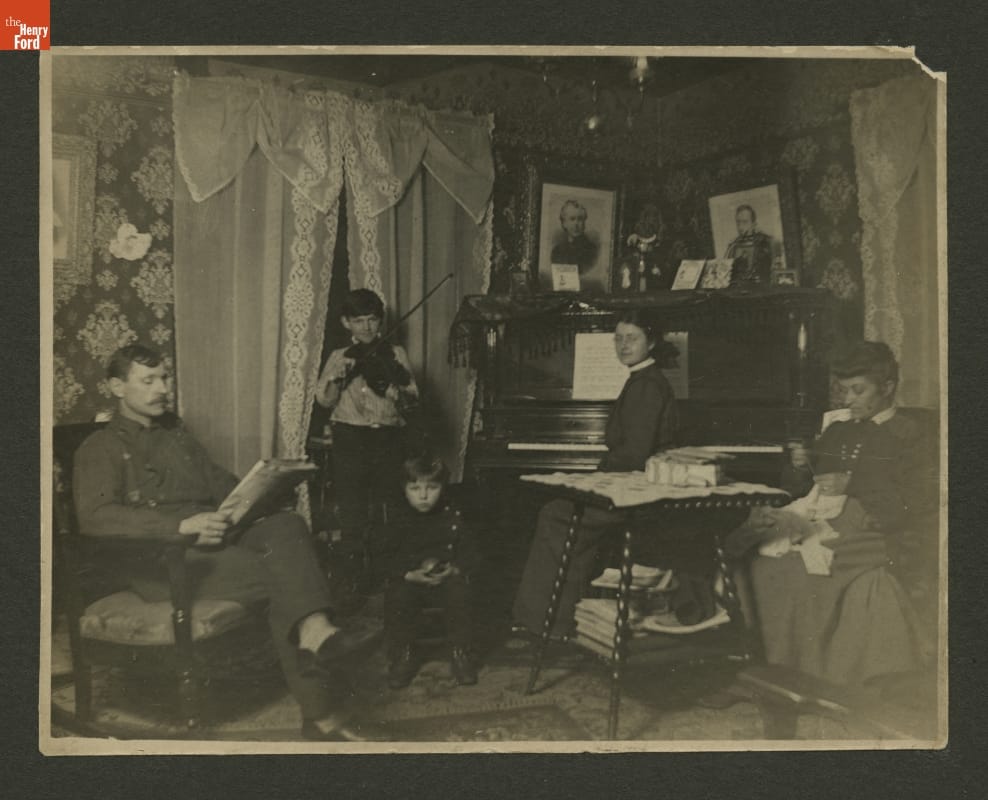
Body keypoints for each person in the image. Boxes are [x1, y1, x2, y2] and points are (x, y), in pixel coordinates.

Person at [72, 345, 388, 741]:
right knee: (286, 577)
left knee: (287, 526)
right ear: (117, 387)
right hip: (162, 562)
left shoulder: (177, 436)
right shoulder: (99, 447)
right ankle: (321, 706)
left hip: (213, 540)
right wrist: (182, 526)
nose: (162, 389)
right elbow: (96, 516)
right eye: (148, 380)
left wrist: (270, 487)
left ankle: (315, 631)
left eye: (164, 378)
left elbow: (222, 486)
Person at [727, 341, 934, 687]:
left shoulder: (910, 435)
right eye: (844, 390)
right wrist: (798, 467)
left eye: (858, 390)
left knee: (791, 568)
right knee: (755, 557)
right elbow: (802, 488)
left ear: (887, 387)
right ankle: (761, 668)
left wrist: (852, 484)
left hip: (876, 531)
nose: (847, 399)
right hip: (824, 521)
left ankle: (797, 675)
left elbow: (916, 501)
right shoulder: (838, 430)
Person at [511, 310, 681, 638]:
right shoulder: (643, 379)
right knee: (560, 509)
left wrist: (593, 479)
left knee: (556, 514)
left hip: (638, 490)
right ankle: (558, 617)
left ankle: (552, 621)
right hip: (633, 481)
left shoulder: (646, 385)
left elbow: (633, 454)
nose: (623, 345)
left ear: (652, 342)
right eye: (618, 339)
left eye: (632, 338)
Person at [314, 288, 420, 607]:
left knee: (390, 504)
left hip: (387, 438)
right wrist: (337, 378)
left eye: (372, 320)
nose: (367, 327)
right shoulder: (340, 356)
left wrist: (391, 386)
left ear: (380, 321)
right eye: (358, 321)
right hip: (349, 437)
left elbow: (413, 398)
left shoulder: (395, 353)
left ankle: (389, 575)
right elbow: (325, 400)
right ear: (346, 323)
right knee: (352, 508)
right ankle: (352, 580)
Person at [381, 452, 481, 689]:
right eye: (415, 488)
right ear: (404, 489)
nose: (423, 496)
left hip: (445, 577)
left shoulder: (453, 516)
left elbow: (472, 552)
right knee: (399, 596)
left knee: (461, 593)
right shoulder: (398, 518)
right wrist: (407, 574)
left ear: (443, 488)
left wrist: (454, 569)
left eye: (432, 488)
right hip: (410, 579)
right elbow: (383, 556)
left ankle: (460, 651)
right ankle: (404, 653)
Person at [723, 204, 775, 285]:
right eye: (738, 222)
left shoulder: (766, 242)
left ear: (754, 224)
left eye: (745, 222)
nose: (740, 227)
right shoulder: (733, 245)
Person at [550, 200, 598, 271]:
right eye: (572, 219)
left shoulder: (592, 250)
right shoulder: (557, 252)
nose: (576, 224)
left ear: (584, 223)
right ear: (564, 223)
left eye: (580, 219)